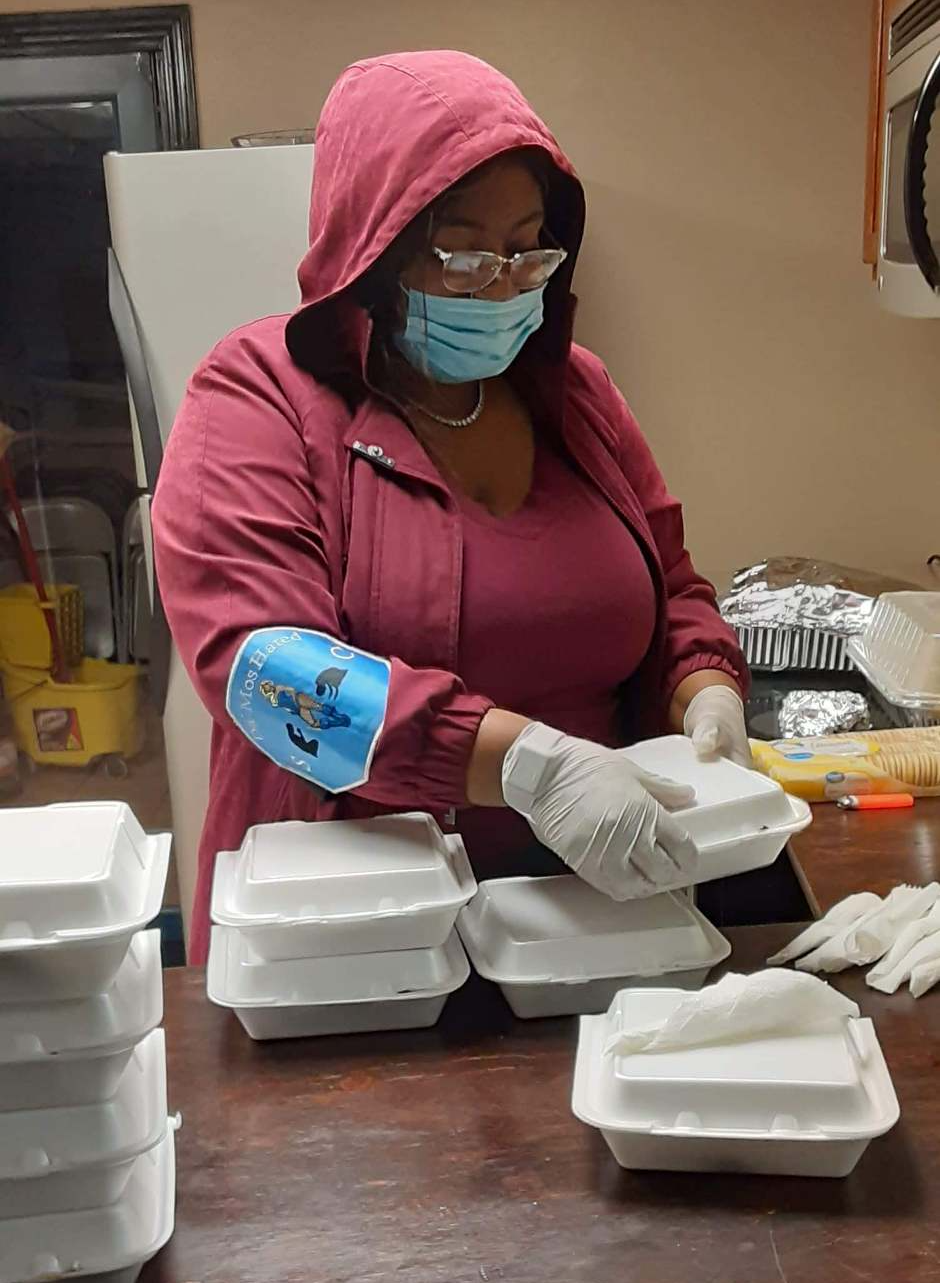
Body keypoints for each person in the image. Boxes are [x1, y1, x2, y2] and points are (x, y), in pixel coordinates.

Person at [153, 50, 750, 964]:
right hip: (357, 942)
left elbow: (669, 587)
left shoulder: (573, 392)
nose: (507, 285)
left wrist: (704, 685)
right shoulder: (257, 394)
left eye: (529, 248)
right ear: (375, 250)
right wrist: (524, 765)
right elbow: (263, 668)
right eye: (467, 254)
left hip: (595, 927)